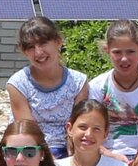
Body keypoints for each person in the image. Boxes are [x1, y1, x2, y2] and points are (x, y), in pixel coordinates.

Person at [5, 16, 89, 157]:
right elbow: (27, 130)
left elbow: (79, 124)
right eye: (31, 47)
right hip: (32, 150)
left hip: (70, 148)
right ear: (24, 51)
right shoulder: (18, 84)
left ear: (58, 42)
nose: (38, 52)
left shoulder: (79, 82)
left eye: (43, 43)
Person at [89, 19, 138, 159]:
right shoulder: (98, 87)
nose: (124, 59)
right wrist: (109, 155)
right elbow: (91, 129)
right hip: (105, 154)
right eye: (117, 52)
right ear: (107, 50)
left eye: (130, 52)